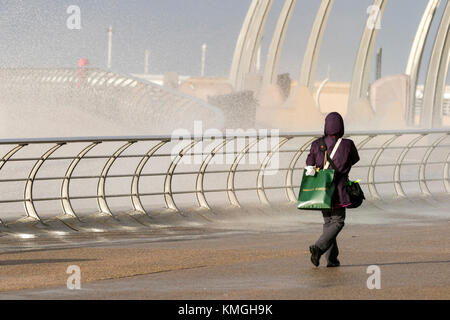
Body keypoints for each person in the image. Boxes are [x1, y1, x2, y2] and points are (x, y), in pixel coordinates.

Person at [305, 112, 360, 267]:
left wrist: (314, 166)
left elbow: (310, 160)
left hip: (322, 188)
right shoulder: (348, 144)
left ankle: (332, 260)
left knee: (328, 222)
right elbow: (354, 160)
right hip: (339, 189)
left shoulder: (317, 144)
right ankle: (318, 247)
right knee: (338, 222)